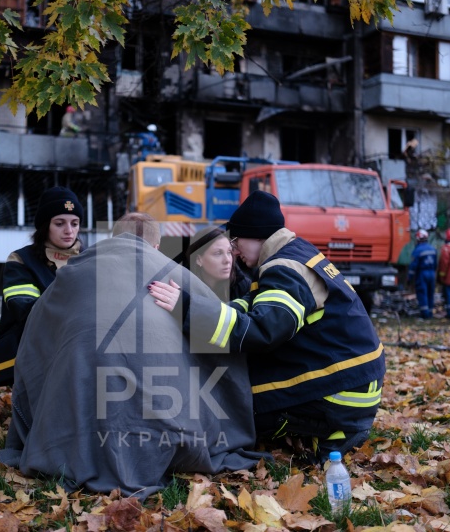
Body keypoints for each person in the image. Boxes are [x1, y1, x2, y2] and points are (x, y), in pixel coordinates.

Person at [0, 212, 264, 498]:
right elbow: (220, 336)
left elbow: (36, 333)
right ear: (157, 247)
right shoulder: (176, 275)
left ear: (114, 238)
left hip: (75, 428)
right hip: (169, 428)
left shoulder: (75, 270)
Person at [149, 191, 385, 463]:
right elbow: (256, 304)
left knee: (235, 399)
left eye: (235, 242)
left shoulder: (283, 268)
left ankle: (335, 430)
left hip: (343, 391)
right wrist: (202, 307)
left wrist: (188, 309)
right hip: (355, 378)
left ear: (258, 236)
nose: (234, 252)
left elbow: (262, 331)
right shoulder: (297, 252)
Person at [0, 186, 84, 386]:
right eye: (59, 223)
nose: (69, 231)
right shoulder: (21, 260)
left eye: (75, 223)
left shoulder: (91, 258)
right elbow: (27, 310)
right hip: (35, 348)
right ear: (45, 225)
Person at [182, 226, 250, 301]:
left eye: (229, 252)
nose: (227, 260)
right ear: (198, 259)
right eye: (218, 253)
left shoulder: (243, 287)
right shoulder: (183, 289)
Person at [407, 229, 437, 319]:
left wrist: (409, 278)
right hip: (431, 273)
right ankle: (430, 313)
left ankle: (425, 315)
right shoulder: (433, 249)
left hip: (422, 274)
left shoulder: (417, 250)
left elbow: (413, 266)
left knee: (422, 293)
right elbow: (436, 264)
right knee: (430, 293)